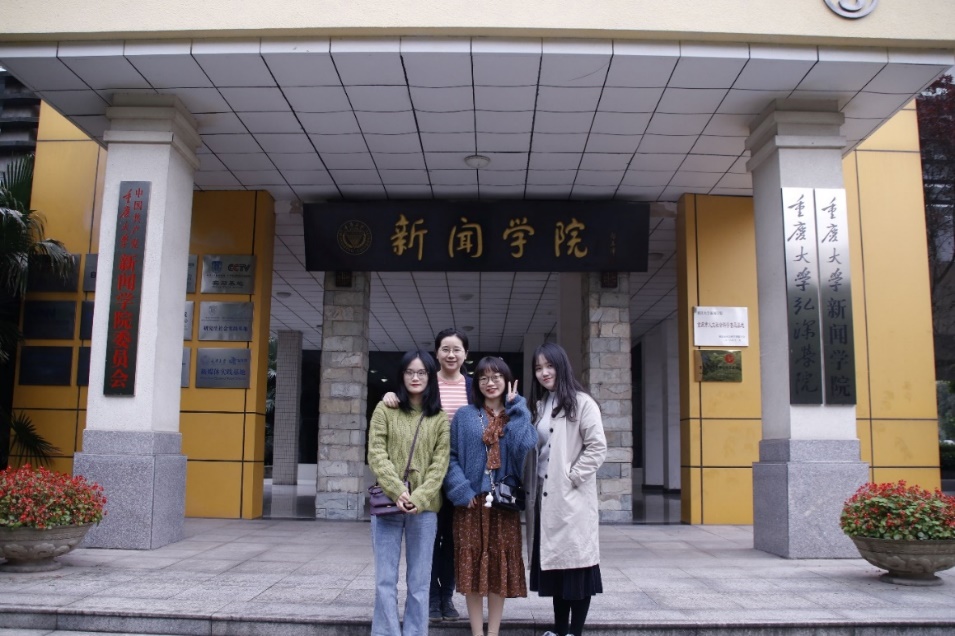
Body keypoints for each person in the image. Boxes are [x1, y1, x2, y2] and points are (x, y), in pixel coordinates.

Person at [383, 328, 473, 621]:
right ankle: (431, 598)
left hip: (460, 475)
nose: (451, 354)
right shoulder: (425, 381)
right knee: (429, 539)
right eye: (445, 349)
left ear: (465, 354)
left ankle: (446, 597)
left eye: (457, 349)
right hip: (427, 475)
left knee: (453, 538)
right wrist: (389, 395)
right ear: (437, 354)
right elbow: (402, 400)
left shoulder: (472, 388)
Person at [443, 357, 537, 636]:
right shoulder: (464, 415)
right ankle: (476, 632)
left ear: (506, 381)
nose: (490, 383)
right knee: (471, 568)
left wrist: (518, 407)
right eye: (483, 378)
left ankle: (493, 632)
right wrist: (461, 489)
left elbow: (525, 446)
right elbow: (450, 456)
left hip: (504, 504)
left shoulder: (515, 416)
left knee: (498, 569)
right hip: (471, 503)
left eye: (496, 377)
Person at [368, 349, 450, 636]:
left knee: (419, 582)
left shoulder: (440, 418)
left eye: (422, 372)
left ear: (430, 376)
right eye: (410, 372)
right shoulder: (385, 409)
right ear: (402, 375)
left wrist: (418, 498)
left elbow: (440, 464)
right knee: (385, 580)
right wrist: (396, 490)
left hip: (424, 511)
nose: (415, 377)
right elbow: (376, 453)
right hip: (387, 507)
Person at [526, 343, 607, 636]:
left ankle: (575, 632)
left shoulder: (582, 403)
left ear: (562, 366)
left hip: (572, 499)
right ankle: (560, 631)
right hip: (546, 498)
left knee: (577, 566)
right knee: (558, 569)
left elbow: (597, 447)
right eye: (538, 368)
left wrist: (572, 477)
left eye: (549, 366)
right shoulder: (541, 405)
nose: (544, 372)